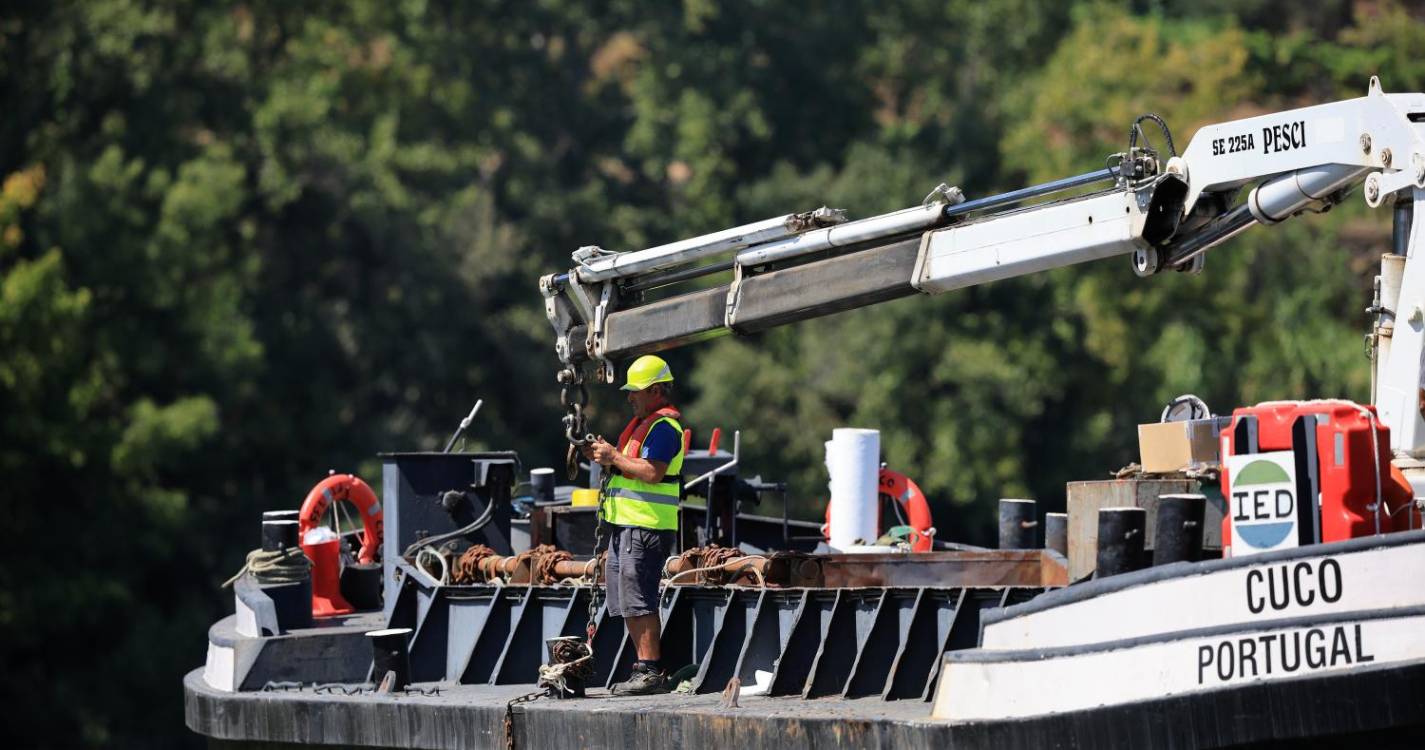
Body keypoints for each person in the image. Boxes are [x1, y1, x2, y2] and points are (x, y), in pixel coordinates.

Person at [582, 354, 684, 696]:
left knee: (639, 597)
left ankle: (651, 671)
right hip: (626, 526)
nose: (629, 397)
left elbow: (652, 472)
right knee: (626, 598)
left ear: (656, 391)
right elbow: (627, 467)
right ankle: (643, 667)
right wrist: (601, 456)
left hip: (646, 526)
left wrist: (613, 458)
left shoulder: (665, 428)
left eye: (636, 391)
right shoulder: (641, 427)